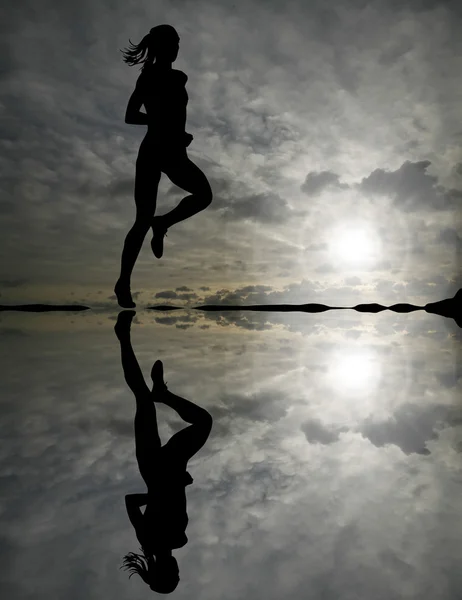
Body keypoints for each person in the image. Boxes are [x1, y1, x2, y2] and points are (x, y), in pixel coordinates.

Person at [114, 24, 213, 308]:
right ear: (165, 46)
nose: (179, 47)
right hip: (156, 151)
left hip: (173, 151)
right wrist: (165, 126)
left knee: (203, 196)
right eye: (176, 43)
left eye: (180, 42)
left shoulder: (179, 77)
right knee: (142, 218)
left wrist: (178, 134)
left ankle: (163, 223)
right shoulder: (149, 77)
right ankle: (123, 283)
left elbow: (172, 115)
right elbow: (131, 116)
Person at [115, 310, 213, 593]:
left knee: (141, 399)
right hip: (174, 466)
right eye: (178, 577)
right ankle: (164, 394)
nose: (177, 572)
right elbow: (176, 503)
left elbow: (131, 502)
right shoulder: (180, 540)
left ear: (161, 572)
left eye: (173, 576)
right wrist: (181, 485)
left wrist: (157, 494)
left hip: (152, 468)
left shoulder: (147, 540)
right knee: (204, 421)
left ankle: (123, 337)